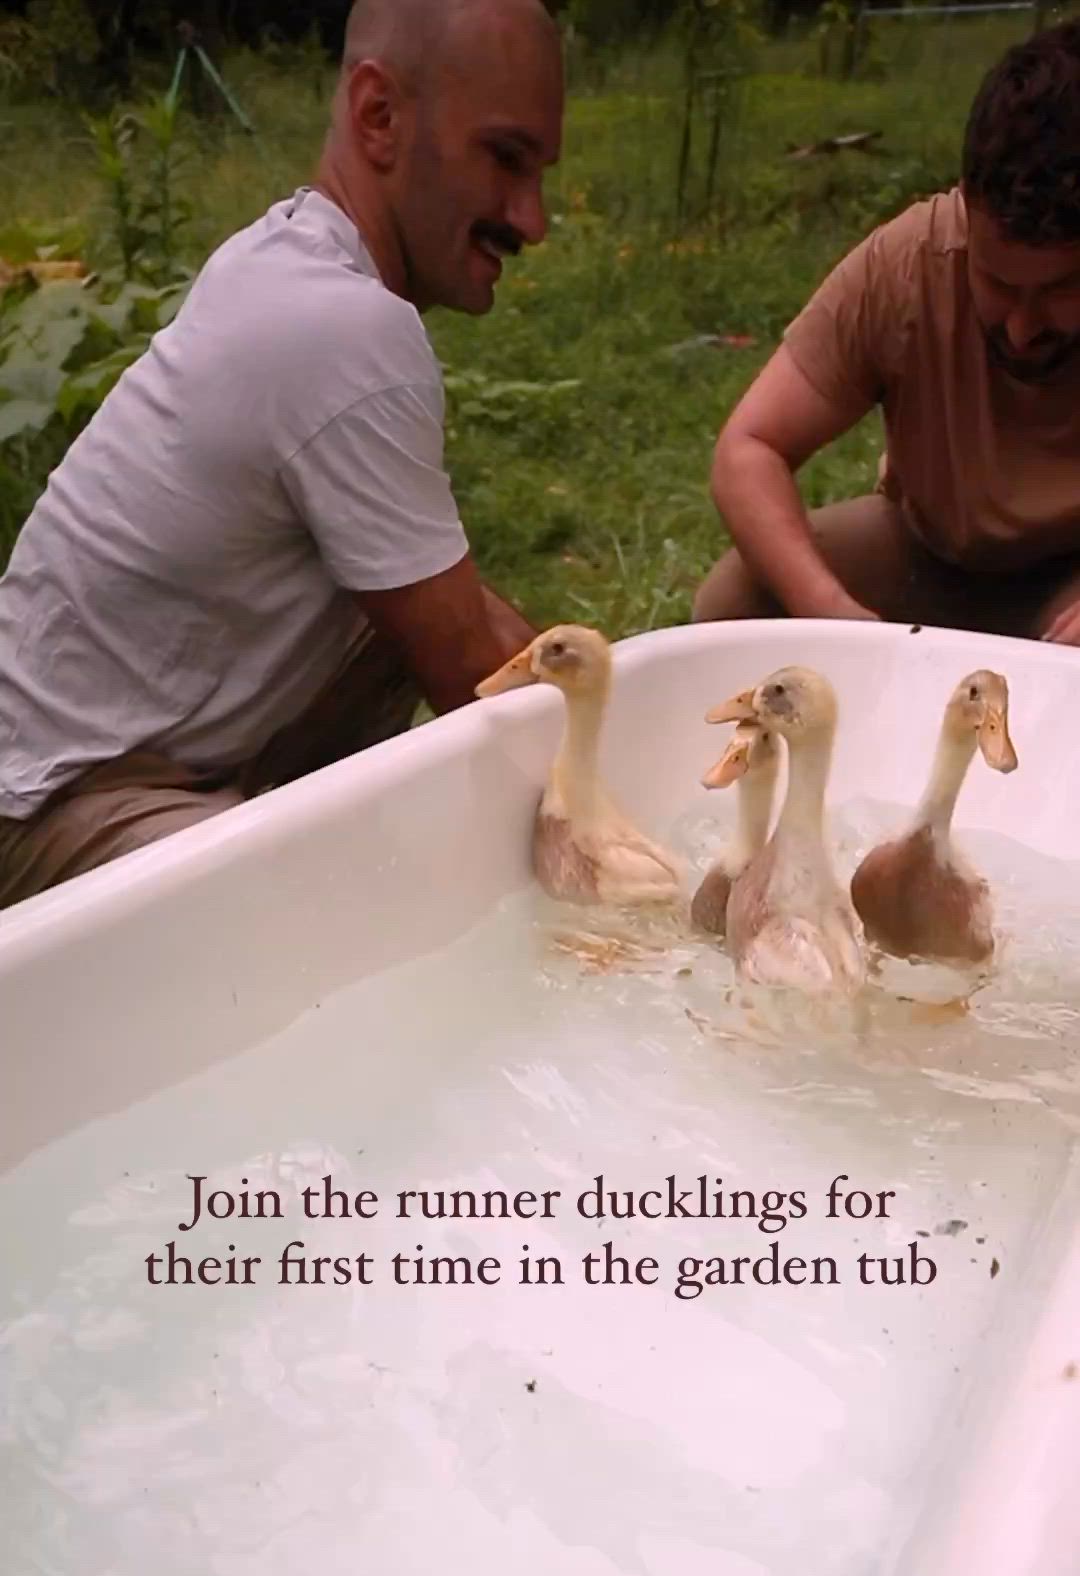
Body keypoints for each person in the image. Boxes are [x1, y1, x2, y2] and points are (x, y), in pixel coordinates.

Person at [0, 0, 563, 908]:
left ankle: (274, 834)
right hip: (48, 799)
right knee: (329, 938)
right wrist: (644, 783)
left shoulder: (286, 255)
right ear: (378, 117)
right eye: (503, 158)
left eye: (539, 173)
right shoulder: (344, 326)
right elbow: (476, 669)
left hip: (109, 750)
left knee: (402, 608)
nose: (531, 219)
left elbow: (465, 622)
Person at [694, 19, 1080, 648]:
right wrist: (829, 612)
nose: (1022, 325)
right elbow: (750, 448)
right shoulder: (906, 265)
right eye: (999, 285)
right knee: (736, 599)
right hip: (931, 556)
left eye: (1060, 291)